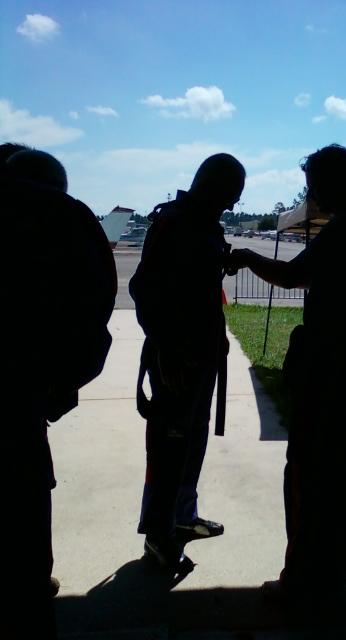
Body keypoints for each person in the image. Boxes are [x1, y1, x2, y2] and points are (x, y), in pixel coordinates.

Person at [230, 144, 346, 608]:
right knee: (342, 464)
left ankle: (303, 578)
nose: (311, 193)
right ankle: (345, 551)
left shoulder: (345, 230)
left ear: (328, 184)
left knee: (309, 473)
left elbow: (294, 275)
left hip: (328, 371)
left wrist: (247, 257)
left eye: (314, 184)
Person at [2, 144, 117, 639]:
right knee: (24, 509)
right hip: (18, 403)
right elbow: (94, 312)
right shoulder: (65, 218)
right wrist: (63, 385)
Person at [129, 153, 245, 569]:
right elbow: (145, 289)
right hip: (177, 359)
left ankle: (182, 518)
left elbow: (197, 290)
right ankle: (159, 536)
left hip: (200, 355)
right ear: (209, 186)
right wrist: (168, 351)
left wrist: (218, 338)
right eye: (229, 195)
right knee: (170, 446)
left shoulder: (201, 223)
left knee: (191, 442)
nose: (231, 205)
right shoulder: (175, 221)